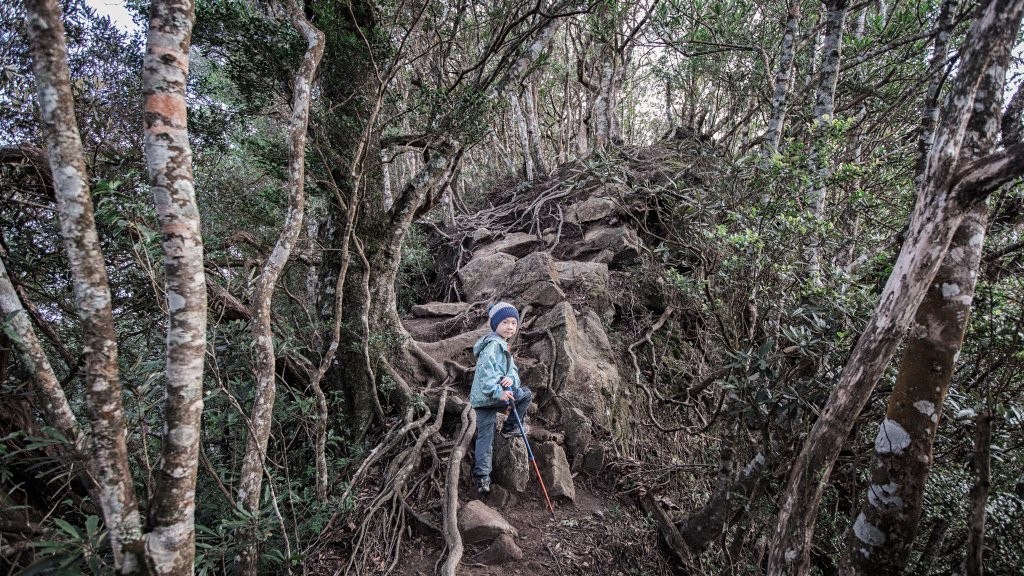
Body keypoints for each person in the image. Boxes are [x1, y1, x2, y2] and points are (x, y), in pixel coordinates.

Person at [470, 301, 532, 494]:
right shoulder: (492, 347)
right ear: (495, 323)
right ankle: (510, 426)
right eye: (505, 322)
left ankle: (482, 478)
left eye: (514, 323)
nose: (510, 327)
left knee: (485, 438)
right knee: (525, 395)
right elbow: (485, 375)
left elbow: (514, 374)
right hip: (491, 397)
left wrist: (508, 380)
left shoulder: (503, 347)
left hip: (484, 401)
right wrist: (500, 391)